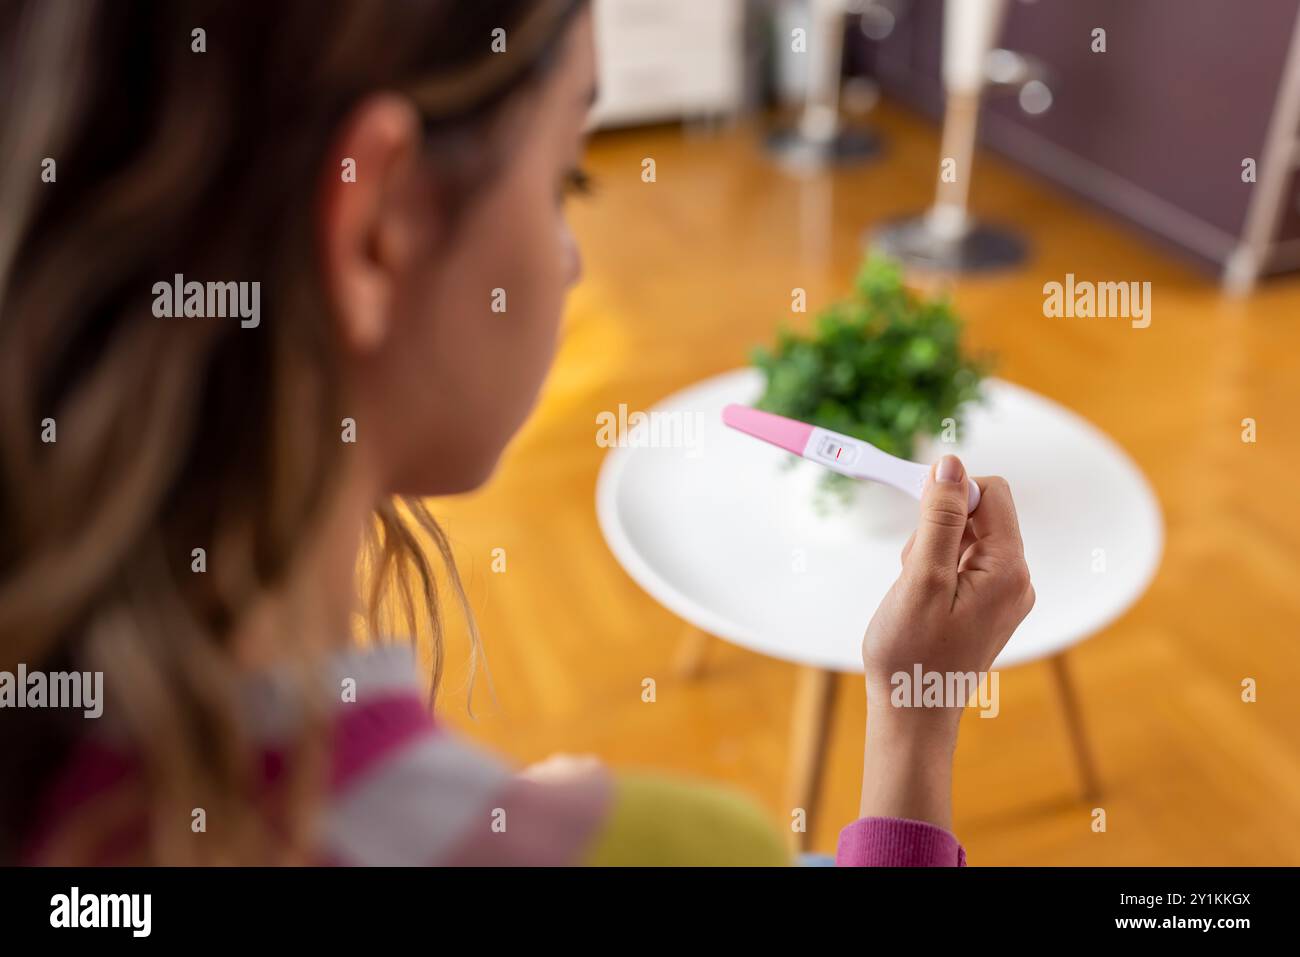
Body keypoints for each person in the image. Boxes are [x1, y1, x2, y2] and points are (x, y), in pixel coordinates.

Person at [0, 0, 1033, 865]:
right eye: (563, 182)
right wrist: (917, 713)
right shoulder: (674, 851)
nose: (572, 260)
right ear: (377, 228)